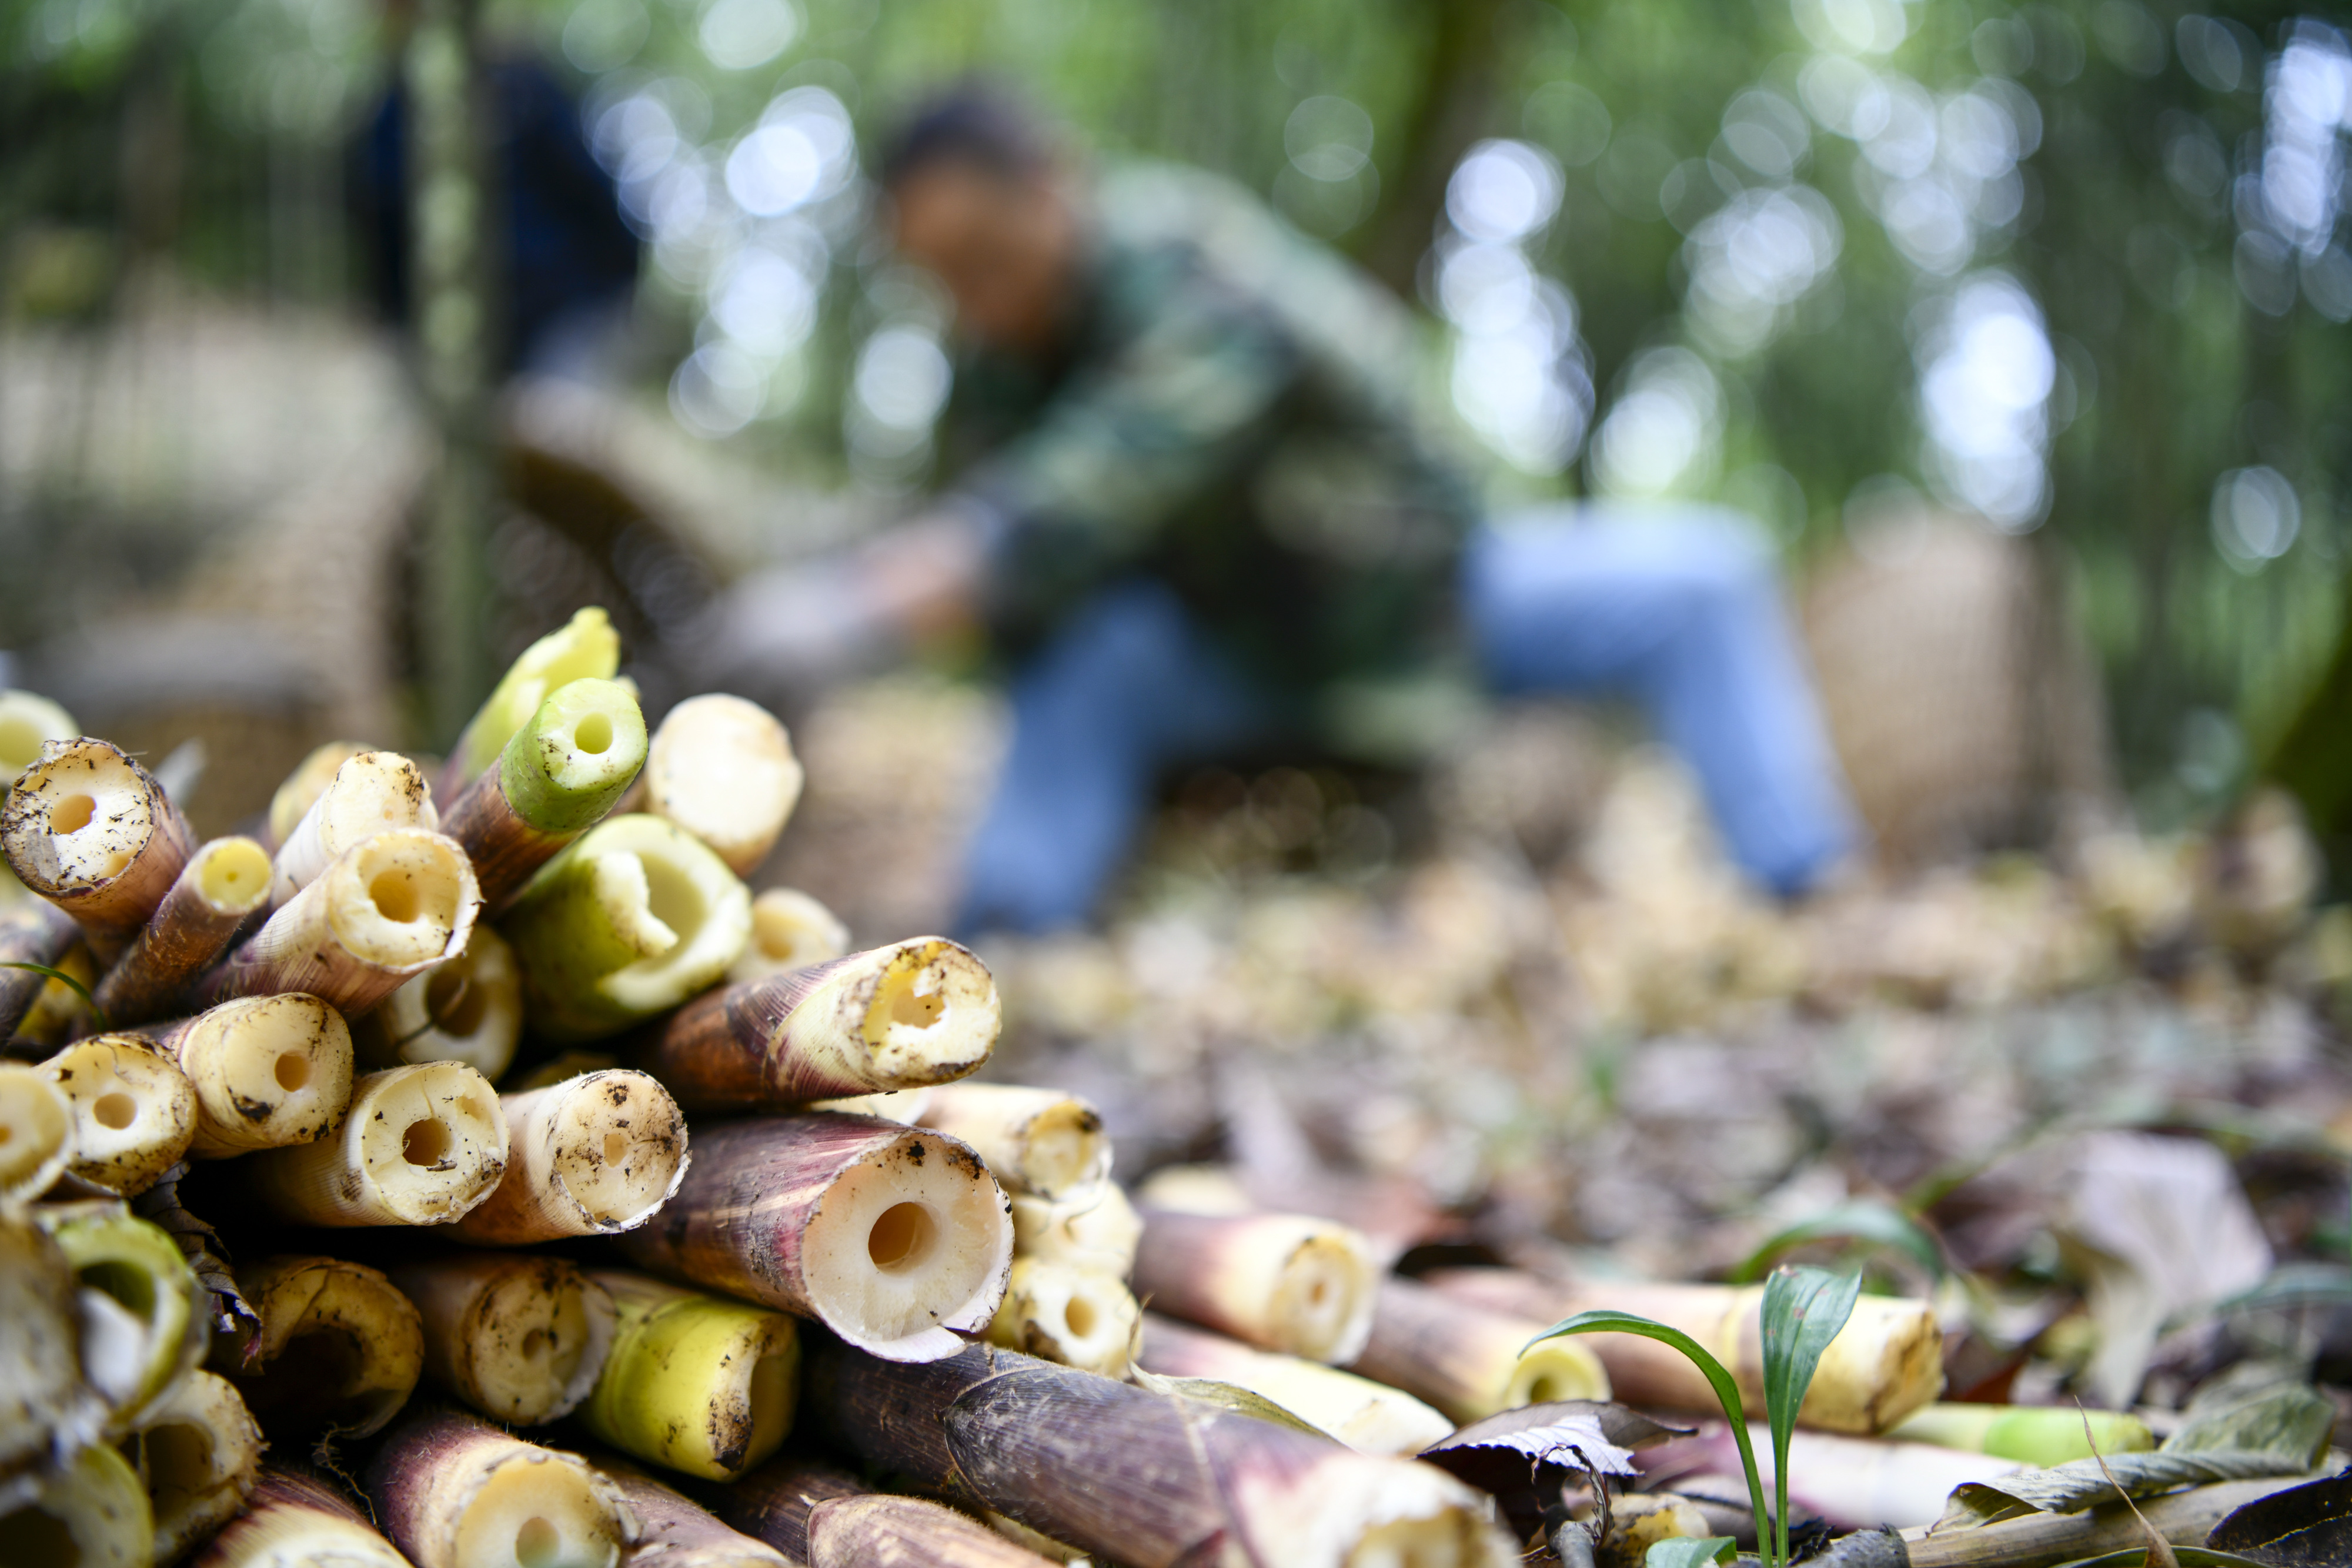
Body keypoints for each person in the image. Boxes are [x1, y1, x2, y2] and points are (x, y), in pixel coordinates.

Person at [706, 85, 1859, 934]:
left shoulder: (1185, 260)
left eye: (985, 256)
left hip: (1424, 610)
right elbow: (997, 568)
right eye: (941, 280)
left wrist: (849, 608)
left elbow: (1085, 488)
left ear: (1053, 183)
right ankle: (997, 950)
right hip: (1225, 662)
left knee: (1701, 579)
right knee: (1085, 652)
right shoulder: (997, 367)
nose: (972, 304)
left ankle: (1810, 893)